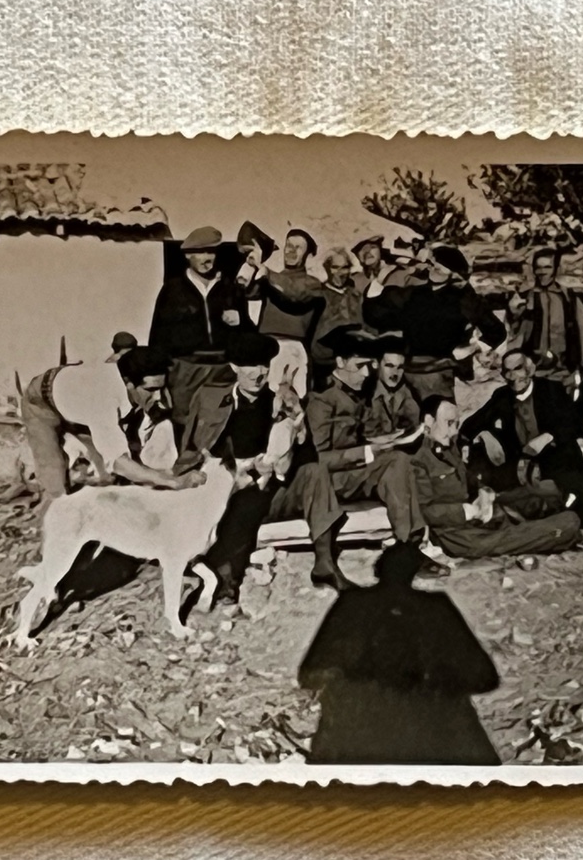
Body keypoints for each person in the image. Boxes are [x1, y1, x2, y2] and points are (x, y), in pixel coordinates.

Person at [178, 330, 351, 605]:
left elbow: (306, 458)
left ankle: (325, 564)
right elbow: (189, 449)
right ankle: (225, 580)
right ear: (234, 366)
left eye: (264, 365)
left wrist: (297, 428)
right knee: (244, 499)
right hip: (224, 486)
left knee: (314, 473)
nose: (258, 373)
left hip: (273, 489)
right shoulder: (210, 399)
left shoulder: (281, 404)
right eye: (250, 365)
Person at [298, 542, 501, 765]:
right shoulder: (434, 608)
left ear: (378, 570)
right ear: (415, 572)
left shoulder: (354, 605)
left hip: (358, 740)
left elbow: (310, 675)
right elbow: (484, 678)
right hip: (433, 740)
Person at [460, 349, 583, 559]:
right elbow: (471, 425)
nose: (513, 377)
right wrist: (479, 437)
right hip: (524, 463)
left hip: (559, 457)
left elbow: (574, 424)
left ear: (530, 369)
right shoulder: (501, 396)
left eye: (518, 369)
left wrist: (548, 436)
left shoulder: (550, 390)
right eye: (507, 371)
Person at [306, 326, 446, 575]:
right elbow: (317, 461)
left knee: (398, 460)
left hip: (353, 474)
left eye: (369, 365)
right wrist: (367, 451)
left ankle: (409, 546)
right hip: (328, 484)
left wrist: (380, 442)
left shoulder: (356, 393)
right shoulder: (322, 399)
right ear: (340, 362)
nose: (367, 372)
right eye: (360, 365)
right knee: (394, 461)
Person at [21, 346, 206, 508]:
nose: (158, 397)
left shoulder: (129, 382)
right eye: (150, 390)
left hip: (76, 393)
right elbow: (120, 463)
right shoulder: (103, 402)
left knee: (110, 474)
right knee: (55, 485)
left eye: (161, 388)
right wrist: (173, 482)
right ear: (128, 384)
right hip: (41, 399)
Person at [412, 396, 581, 559]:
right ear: (429, 421)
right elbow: (422, 511)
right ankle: (557, 531)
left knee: (541, 495)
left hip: (479, 514)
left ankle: (549, 522)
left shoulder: (447, 446)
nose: (454, 431)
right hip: (456, 534)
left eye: (456, 424)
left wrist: (483, 491)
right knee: (565, 523)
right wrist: (467, 511)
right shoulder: (416, 459)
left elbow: (466, 478)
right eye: (449, 423)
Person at [363, 245, 505, 400]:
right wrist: (379, 280)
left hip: (441, 372)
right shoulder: (415, 293)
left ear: (453, 275)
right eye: (431, 265)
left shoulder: (465, 299)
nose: (431, 270)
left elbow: (496, 331)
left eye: (438, 269)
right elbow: (374, 317)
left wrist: (473, 348)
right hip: (408, 371)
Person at [147, 226, 253, 433]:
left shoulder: (230, 288)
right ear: (188, 255)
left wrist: (241, 321)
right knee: (184, 424)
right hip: (185, 369)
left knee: (221, 424)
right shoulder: (173, 290)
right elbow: (159, 335)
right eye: (200, 252)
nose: (206, 258)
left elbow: (248, 331)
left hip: (223, 369)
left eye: (211, 252)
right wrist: (158, 379)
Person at [248, 228, 325, 398]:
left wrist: (265, 271)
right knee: (265, 400)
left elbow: (294, 295)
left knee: (295, 400)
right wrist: (252, 264)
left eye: (298, 247)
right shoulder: (271, 278)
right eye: (288, 245)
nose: (291, 250)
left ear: (307, 254)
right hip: (266, 346)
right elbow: (249, 292)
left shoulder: (312, 284)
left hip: (292, 349)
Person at [310, 247, 370, 389]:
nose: (340, 273)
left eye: (344, 268)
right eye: (335, 267)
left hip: (354, 362)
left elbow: (365, 324)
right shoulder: (318, 294)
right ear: (327, 269)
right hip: (325, 362)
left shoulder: (356, 295)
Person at [527, 247, 583, 382]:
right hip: (535, 369)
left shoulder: (568, 297)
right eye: (538, 268)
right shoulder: (528, 297)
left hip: (563, 369)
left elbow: (581, 331)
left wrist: (581, 365)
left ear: (557, 269)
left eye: (547, 267)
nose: (542, 272)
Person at [362, 333, 421, 438]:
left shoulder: (410, 395)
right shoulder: (364, 394)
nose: (395, 373)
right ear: (376, 364)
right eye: (389, 366)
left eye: (400, 367)